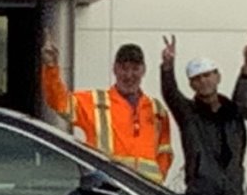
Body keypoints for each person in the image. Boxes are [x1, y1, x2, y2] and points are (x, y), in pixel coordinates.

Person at [40, 40, 176, 185]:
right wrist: (51, 67)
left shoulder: (156, 109)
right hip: (107, 189)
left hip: (143, 193)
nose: (129, 75)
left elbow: (165, 152)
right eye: (124, 68)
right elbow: (59, 101)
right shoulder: (96, 101)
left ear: (143, 70)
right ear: (115, 69)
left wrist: (156, 183)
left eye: (135, 69)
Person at [159, 37, 247, 195]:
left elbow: (244, 94)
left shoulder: (234, 112)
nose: (203, 81)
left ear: (218, 77)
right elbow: (170, 93)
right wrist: (167, 67)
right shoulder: (189, 114)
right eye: (197, 78)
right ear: (191, 85)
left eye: (207, 75)